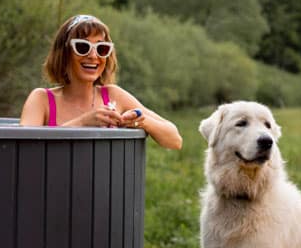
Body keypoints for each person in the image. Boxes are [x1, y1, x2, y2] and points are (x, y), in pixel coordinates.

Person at [20, 14, 182, 150]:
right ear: (64, 54)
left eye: (102, 49)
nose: (93, 55)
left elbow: (175, 140)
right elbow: (23, 150)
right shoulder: (41, 99)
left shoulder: (114, 94)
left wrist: (139, 121)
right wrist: (83, 122)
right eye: (82, 47)